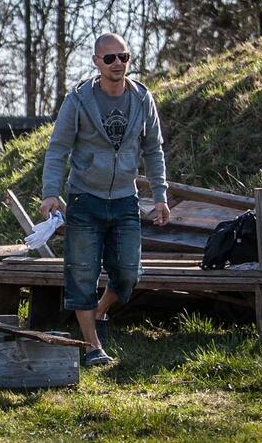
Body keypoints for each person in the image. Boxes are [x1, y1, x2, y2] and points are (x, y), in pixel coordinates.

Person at [40, 33, 170, 367]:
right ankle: (93, 347)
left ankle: (97, 312)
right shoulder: (79, 100)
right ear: (96, 62)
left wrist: (160, 197)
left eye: (123, 57)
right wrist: (50, 193)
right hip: (85, 198)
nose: (117, 64)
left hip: (126, 199)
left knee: (129, 273)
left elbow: (153, 149)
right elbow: (58, 148)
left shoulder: (142, 99)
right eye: (109, 58)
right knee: (81, 273)